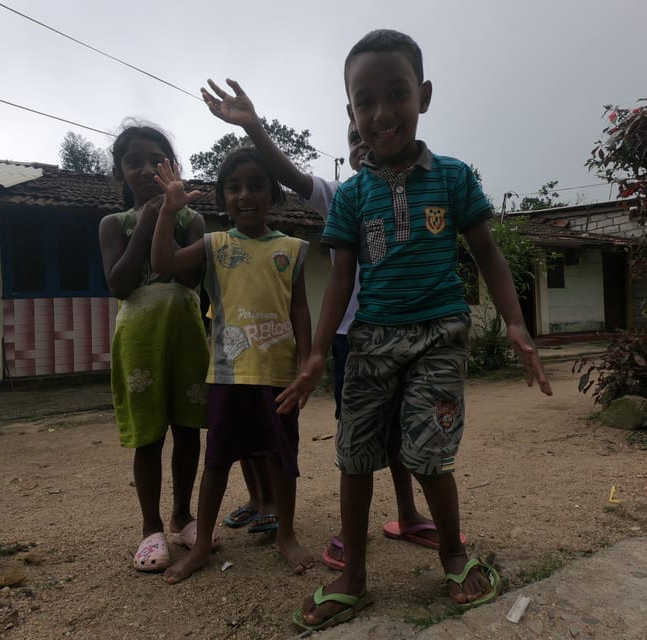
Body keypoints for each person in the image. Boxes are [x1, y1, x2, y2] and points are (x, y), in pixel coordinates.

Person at [276, 30, 553, 631]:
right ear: (350, 111)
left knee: (429, 453)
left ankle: (455, 554)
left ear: (423, 95)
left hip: (438, 335)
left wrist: (515, 324)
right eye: (365, 100)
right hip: (372, 338)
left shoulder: (453, 178)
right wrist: (319, 352)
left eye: (396, 93)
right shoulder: (350, 196)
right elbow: (342, 281)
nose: (382, 113)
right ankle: (353, 576)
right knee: (353, 456)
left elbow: (488, 255)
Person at [200, 78, 460, 569]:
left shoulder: (432, 183)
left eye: (369, 137)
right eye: (354, 139)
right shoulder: (343, 194)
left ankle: (408, 514)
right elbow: (291, 177)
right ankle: (351, 532)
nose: (364, 144)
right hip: (351, 340)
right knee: (360, 436)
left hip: (417, 334)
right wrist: (254, 127)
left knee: (412, 431)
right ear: (351, 143)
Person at [150, 147, 314, 582]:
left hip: (278, 376)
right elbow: (162, 263)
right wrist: (169, 211)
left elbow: (300, 310)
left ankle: (287, 535)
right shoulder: (213, 245)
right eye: (235, 187)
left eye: (257, 186)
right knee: (218, 461)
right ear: (223, 197)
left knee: (282, 458)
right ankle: (202, 544)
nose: (246, 195)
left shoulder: (291, 249)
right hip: (227, 374)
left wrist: (309, 363)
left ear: (273, 195)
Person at [98, 123, 211, 572]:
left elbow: (189, 278)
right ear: (119, 172)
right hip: (139, 339)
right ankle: (151, 527)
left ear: (173, 168)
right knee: (148, 435)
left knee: (187, 428)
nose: (146, 170)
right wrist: (145, 222)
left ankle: (183, 515)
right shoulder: (113, 225)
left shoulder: (192, 220)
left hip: (185, 332)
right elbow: (120, 284)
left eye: (156, 161)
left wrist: (166, 215)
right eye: (133, 162)